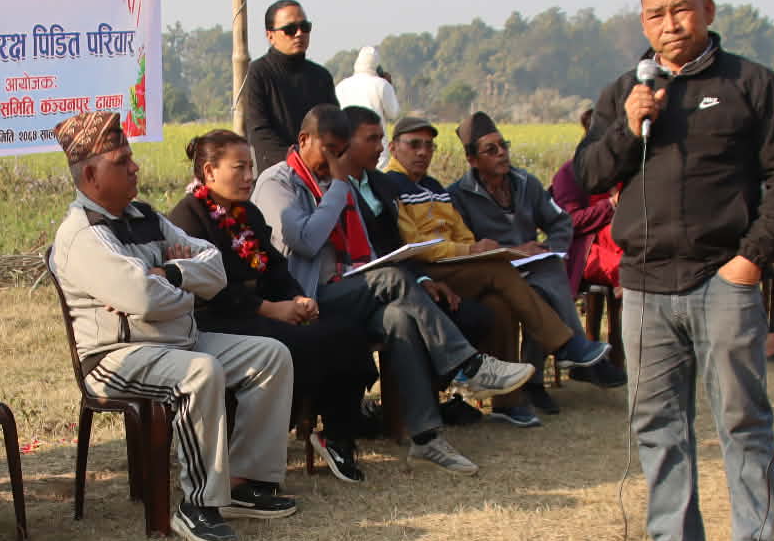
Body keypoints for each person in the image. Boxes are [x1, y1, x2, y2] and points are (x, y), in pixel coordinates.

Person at [572, 0, 774, 541]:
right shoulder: (626, 91)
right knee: (657, 422)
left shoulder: (751, 85)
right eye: (656, 15)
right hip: (644, 283)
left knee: (742, 419)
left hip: (722, 278)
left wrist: (750, 259)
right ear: (642, 23)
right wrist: (628, 127)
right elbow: (588, 174)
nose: (670, 24)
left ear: (707, 9)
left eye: (681, 9)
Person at [49, 112, 298, 541]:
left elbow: (214, 267)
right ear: (90, 175)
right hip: (114, 357)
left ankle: (244, 482)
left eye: (131, 157)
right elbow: (146, 299)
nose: (135, 167)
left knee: (269, 356)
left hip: (177, 341)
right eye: (122, 162)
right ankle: (197, 504)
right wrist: (183, 291)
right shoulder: (83, 235)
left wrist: (170, 273)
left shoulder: (144, 215)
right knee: (199, 372)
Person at [252, 104, 533, 474]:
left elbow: (367, 250)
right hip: (305, 297)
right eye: (329, 150)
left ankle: (426, 436)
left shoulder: (336, 184)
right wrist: (339, 188)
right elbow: (304, 239)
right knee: (392, 279)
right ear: (304, 140)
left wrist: (402, 271)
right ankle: (467, 365)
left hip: (349, 289)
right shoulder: (278, 182)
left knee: (399, 318)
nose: (334, 160)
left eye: (340, 152)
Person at [344, 109, 597, 426]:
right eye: (414, 145)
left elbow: (460, 230)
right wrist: (469, 251)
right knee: (498, 270)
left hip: (453, 265)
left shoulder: (434, 186)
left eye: (429, 146)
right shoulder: (391, 184)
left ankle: (508, 402)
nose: (423, 152)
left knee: (498, 303)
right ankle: (564, 344)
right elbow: (411, 242)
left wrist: (471, 249)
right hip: (422, 268)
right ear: (395, 149)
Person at [167, 129, 378, 482]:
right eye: (239, 168)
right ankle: (269, 439)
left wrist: (297, 298)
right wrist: (269, 309)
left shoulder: (247, 212)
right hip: (219, 319)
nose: (250, 176)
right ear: (209, 172)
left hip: (265, 310)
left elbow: (276, 267)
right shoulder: (187, 217)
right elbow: (211, 290)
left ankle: (337, 434)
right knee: (297, 343)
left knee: (347, 330)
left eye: (251, 167)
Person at [449, 111, 625, 409]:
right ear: (472, 160)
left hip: (533, 270)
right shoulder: (458, 195)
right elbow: (469, 247)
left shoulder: (525, 182)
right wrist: (516, 250)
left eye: (503, 145)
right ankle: (572, 353)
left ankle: (537, 379)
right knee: (539, 283)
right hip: (491, 273)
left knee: (545, 277)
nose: (502, 153)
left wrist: (552, 248)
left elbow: (561, 222)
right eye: (491, 150)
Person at [238, 0, 337, 174]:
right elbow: (260, 132)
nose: (299, 34)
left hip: (321, 172)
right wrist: (298, 163)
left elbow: (334, 126)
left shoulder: (321, 76)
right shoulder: (259, 72)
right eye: (290, 29)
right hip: (278, 174)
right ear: (270, 36)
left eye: (304, 27)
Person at [549, 105, 621, 296]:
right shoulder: (569, 174)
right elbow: (568, 222)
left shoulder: (621, 168)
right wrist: (611, 205)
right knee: (627, 271)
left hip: (618, 240)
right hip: (583, 248)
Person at [334, 46, 400, 124]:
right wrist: (389, 86)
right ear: (377, 66)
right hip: (374, 131)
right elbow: (393, 114)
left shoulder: (340, 87)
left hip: (348, 131)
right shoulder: (382, 84)